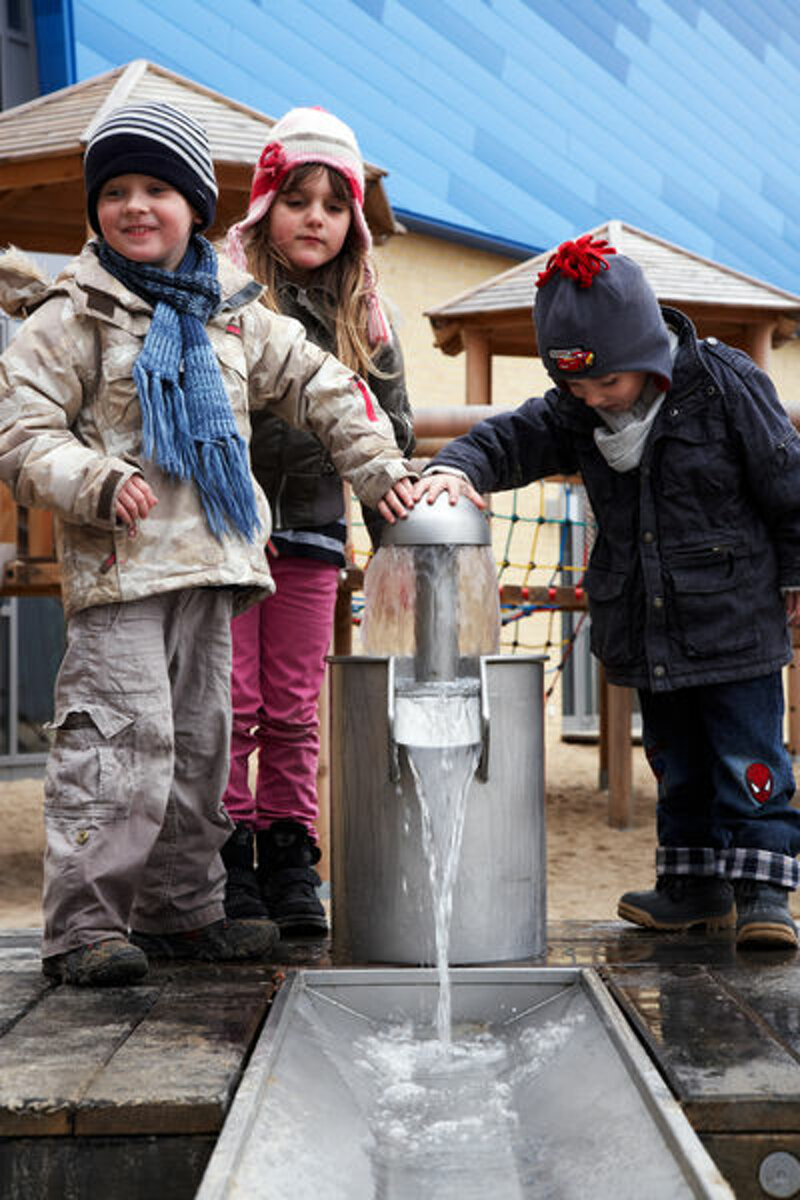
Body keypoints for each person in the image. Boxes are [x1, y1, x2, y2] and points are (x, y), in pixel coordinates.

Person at [0, 102, 414, 987]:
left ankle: (181, 911)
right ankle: (85, 926)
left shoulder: (232, 312)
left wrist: (379, 470)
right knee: (119, 744)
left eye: (157, 188)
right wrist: (97, 478)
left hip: (215, 566)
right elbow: (24, 435)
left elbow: (323, 383)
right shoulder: (70, 317)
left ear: (197, 207)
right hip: (122, 569)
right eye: (115, 191)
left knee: (199, 747)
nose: (135, 206)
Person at [415, 233, 800, 949]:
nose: (594, 400)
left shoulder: (723, 387)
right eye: (578, 389)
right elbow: (510, 437)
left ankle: (765, 893)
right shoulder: (579, 412)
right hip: (650, 626)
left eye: (608, 385)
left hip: (736, 621)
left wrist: (795, 570)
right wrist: (457, 466)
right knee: (675, 761)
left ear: (646, 356)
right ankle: (693, 888)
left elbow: (789, 484)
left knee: (747, 760)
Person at [219, 107, 414, 937]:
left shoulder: (365, 315)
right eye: (298, 201)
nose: (316, 220)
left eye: (334, 207)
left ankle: (291, 853)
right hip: (229, 529)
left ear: (353, 223)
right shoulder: (227, 296)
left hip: (309, 533)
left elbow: (395, 428)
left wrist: (396, 500)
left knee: (295, 705)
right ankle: (223, 854)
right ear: (267, 204)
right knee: (230, 702)